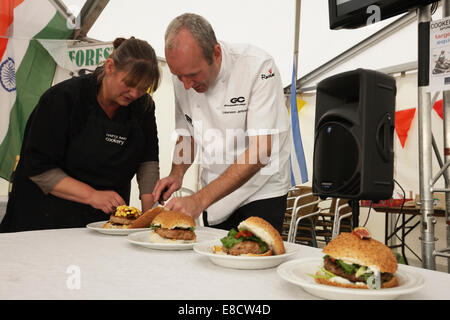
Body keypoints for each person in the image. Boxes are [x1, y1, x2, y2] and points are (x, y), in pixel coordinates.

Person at [0, 37, 160, 233]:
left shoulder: (142, 107)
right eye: (129, 83)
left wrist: (150, 214)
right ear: (110, 67)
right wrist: (92, 195)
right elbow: (39, 169)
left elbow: (148, 161)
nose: (134, 93)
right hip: (43, 221)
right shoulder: (63, 99)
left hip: (103, 224)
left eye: (143, 88)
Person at [152, 13, 291, 232]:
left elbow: (260, 151)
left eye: (193, 75)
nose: (186, 85)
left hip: (261, 189)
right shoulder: (183, 76)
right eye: (178, 76)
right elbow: (187, 133)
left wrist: (199, 200)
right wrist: (177, 173)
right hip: (214, 192)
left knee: (252, 259)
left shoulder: (259, 67)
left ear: (216, 54)